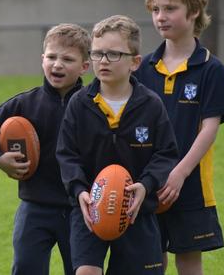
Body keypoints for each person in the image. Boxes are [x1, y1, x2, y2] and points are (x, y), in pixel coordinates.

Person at [56, 15, 179, 275]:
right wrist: (79, 190)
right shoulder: (79, 103)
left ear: (135, 62)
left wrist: (145, 186)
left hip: (137, 210)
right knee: (86, 271)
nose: (103, 61)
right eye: (98, 53)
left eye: (113, 54)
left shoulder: (151, 104)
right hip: (89, 208)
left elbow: (166, 153)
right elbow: (67, 155)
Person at [134, 0, 224, 275]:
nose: (160, 17)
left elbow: (209, 129)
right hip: (148, 179)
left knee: (189, 260)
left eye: (170, 8)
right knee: (152, 259)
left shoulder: (211, 69)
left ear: (194, 11)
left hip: (190, 182)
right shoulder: (141, 69)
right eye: (155, 9)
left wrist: (179, 173)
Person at [0, 23, 91, 275]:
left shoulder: (92, 105)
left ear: (84, 66)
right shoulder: (26, 103)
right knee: (26, 268)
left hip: (79, 209)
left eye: (67, 59)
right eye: (51, 57)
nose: (57, 64)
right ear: (42, 59)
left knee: (81, 270)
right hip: (34, 207)